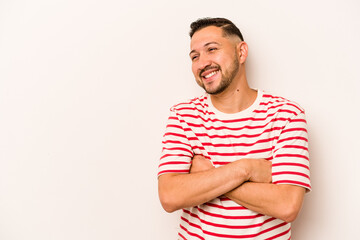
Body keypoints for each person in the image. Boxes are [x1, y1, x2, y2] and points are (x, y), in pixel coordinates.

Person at [158, 17, 311, 240]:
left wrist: (208, 174)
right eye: (195, 56)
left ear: (241, 52)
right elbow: (170, 196)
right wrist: (246, 169)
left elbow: (287, 205)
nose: (202, 63)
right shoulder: (183, 115)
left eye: (212, 49)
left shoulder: (286, 114)